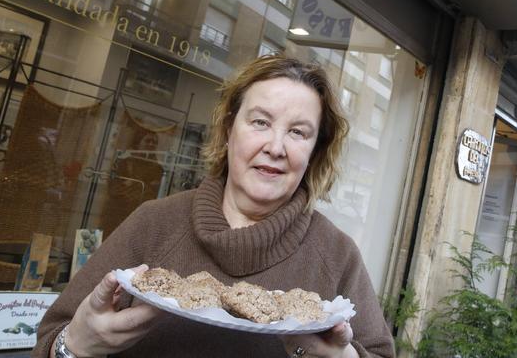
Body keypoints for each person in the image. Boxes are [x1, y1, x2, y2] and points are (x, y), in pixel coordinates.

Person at [33, 55, 395, 358]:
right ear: (228, 129)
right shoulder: (154, 224)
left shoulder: (336, 255)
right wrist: (75, 345)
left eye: (298, 132)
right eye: (260, 122)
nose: (276, 146)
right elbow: (50, 340)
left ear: (315, 151)